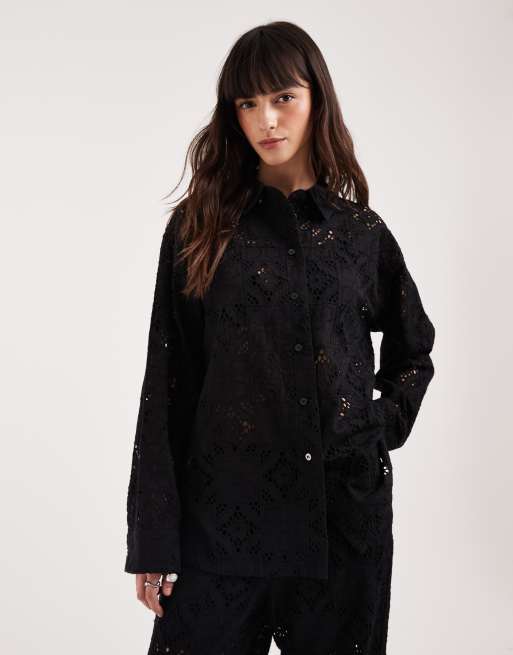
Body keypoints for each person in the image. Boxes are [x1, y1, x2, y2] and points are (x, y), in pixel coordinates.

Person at [124, 20, 436, 655]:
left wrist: (371, 426)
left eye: (283, 97)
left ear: (317, 98)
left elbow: (414, 350)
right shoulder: (199, 229)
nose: (266, 120)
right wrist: (153, 537)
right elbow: (167, 382)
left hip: (341, 529)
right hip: (223, 523)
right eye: (247, 103)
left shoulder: (360, 235)